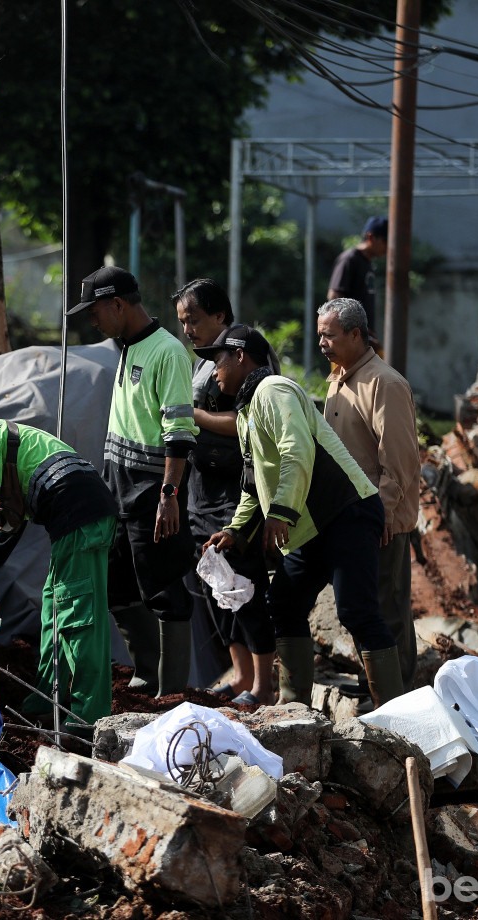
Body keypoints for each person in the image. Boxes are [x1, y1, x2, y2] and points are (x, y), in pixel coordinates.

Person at [198, 324, 405, 707]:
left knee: (356, 611)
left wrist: (280, 512)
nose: (214, 373)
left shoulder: (273, 390)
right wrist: (235, 530)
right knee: (284, 603)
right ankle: (293, 707)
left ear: (240, 356)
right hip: (311, 527)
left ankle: (393, 713)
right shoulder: (245, 413)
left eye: (218, 361)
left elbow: (297, 450)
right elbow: (252, 486)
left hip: (346, 512)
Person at [0, 391, 119, 727]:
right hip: (80, 513)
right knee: (53, 610)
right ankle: (47, 698)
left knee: (77, 616)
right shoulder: (0, 437)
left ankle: (88, 716)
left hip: (80, 516)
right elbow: (11, 521)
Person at [66, 265, 197, 698]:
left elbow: (179, 432)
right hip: (119, 489)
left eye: (95, 311)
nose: (92, 321)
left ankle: (172, 693)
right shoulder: (128, 347)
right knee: (116, 584)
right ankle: (147, 672)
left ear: (118, 304)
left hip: (153, 490)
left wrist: (169, 494)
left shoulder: (168, 352)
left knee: (164, 588)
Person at [173, 278, 277, 705]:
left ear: (220, 315)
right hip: (202, 491)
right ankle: (240, 674)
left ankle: (264, 685)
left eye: (194, 320)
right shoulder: (202, 362)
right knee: (216, 584)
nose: (188, 330)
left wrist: (192, 415)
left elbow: (250, 420)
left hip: (237, 491)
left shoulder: (245, 352)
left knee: (244, 584)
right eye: (183, 322)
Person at [317, 297, 421, 686]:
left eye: (329, 336)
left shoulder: (384, 383)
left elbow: (400, 459)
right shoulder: (339, 378)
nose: (322, 343)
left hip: (380, 521)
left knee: (387, 611)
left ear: (356, 334)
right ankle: (374, 690)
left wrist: (385, 513)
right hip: (350, 518)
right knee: (362, 608)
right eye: (320, 335)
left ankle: (399, 699)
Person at [326, 216, 387, 340]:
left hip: (362, 337)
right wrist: (351, 328)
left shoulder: (368, 263)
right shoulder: (350, 259)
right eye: (386, 241)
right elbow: (334, 296)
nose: (389, 246)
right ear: (371, 237)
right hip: (350, 338)